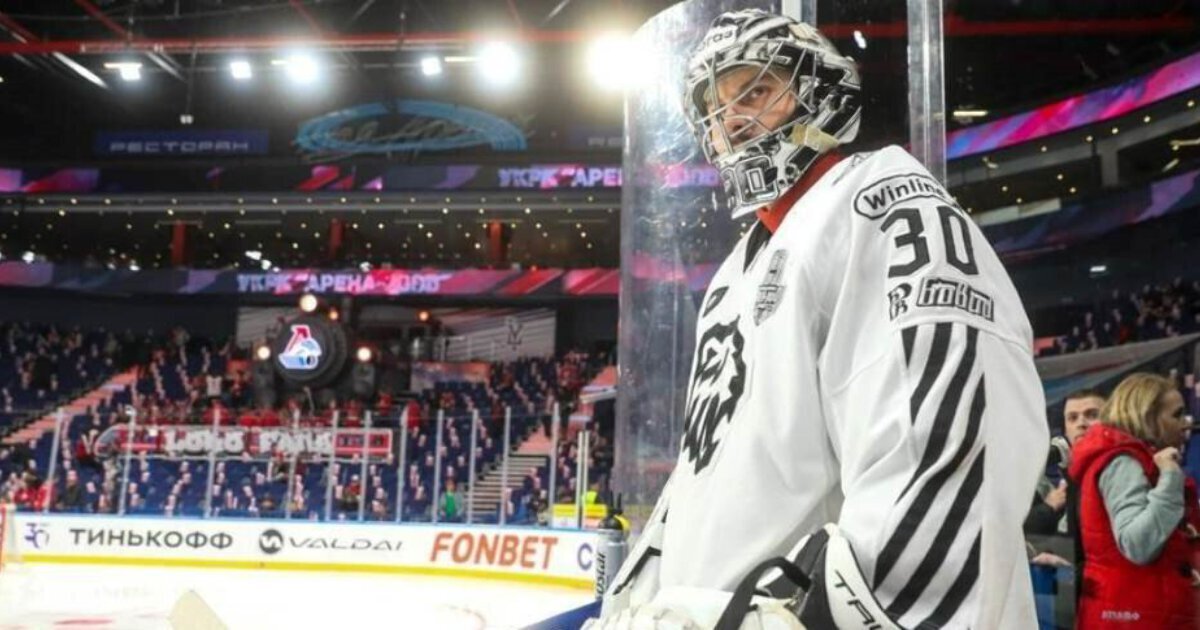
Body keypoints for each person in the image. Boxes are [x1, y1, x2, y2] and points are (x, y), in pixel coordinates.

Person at [593, 10, 1047, 629]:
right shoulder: (734, 272)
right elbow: (713, 473)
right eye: (716, 110)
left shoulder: (883, 203)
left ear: (821, 89)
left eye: (756, 90)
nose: (731, 120)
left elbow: (948, 446)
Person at [1068, 373, 1200, 628]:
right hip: (1134, 617)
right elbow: (1138, 544)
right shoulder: (1122, 462)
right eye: (1176, 415)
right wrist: (1170, 478)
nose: (1185, 423)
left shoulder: (1139, 459)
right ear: (1148, 417)